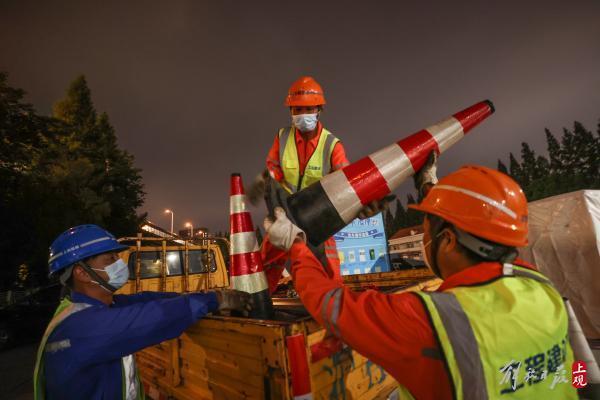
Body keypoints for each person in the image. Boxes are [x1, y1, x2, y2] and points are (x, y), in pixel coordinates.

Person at [263, 158, 578, 399]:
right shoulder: (541, 288)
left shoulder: (431, 322)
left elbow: (330, 303)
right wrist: (430, 185)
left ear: (450, 240)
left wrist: (296, 246)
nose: (424, 234)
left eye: (427, 225)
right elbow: (576, 373)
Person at [33, 224, 252, 400]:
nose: (119, 264)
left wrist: (204, 295)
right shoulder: (81, 327)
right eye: (110, 259)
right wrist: (217, 299)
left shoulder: (95, 309)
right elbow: (155, 316)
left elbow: (147, 300)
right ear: (82, 273)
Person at [263, 76, 385, 284]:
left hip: (318, 217)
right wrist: (271, 187)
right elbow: (272, 168)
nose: (302, 115)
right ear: (290, 111)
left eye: (308, 109)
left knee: (328, 274)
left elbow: (347, 180)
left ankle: (332, 309)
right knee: (265, 266)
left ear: (319, 110)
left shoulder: (331, 145)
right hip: (287, 214)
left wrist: (366, 199)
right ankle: (258, 305)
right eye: (297, 110)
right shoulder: (282, 137)